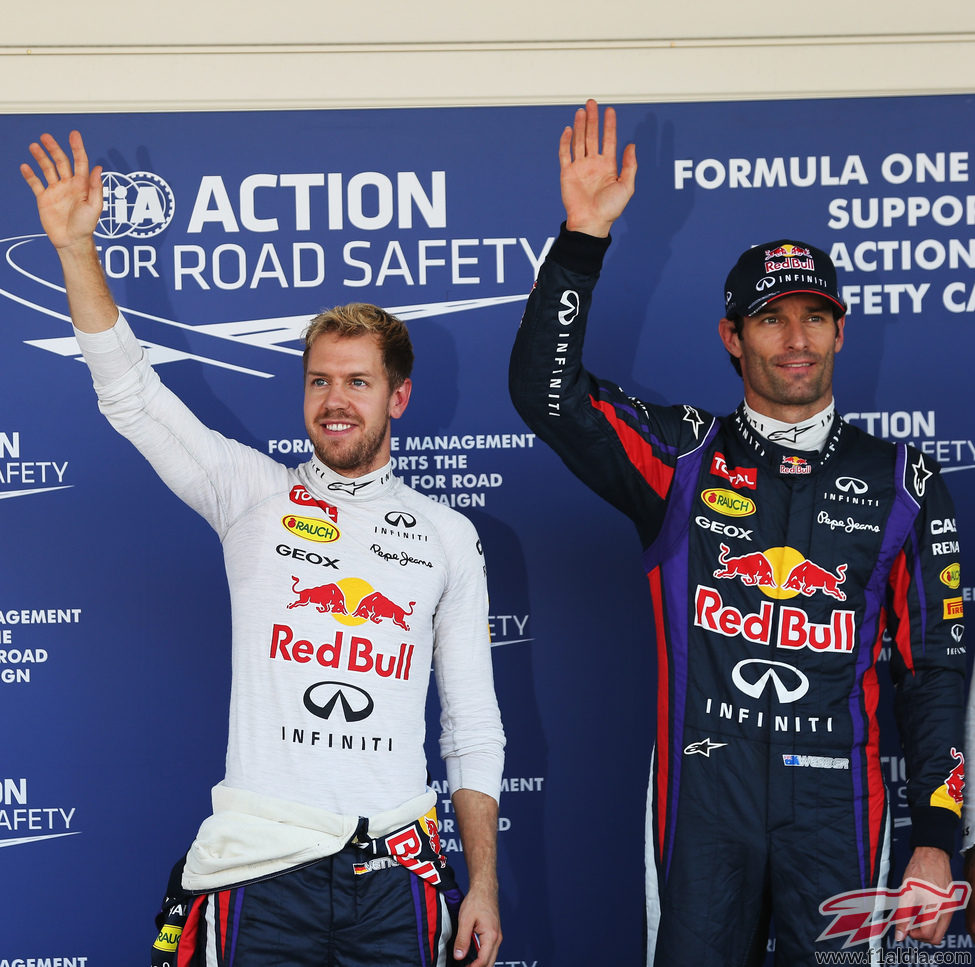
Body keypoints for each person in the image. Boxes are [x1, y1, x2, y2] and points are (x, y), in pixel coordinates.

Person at [22, 130, 505, 967]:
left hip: (398, 874)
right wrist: (73, 250)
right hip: (257, 869)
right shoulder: (251, 493)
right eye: (319, 379)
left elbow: (472, 726)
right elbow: (132, 393)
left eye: (357, 381)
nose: (335, 401)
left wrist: (485, 885)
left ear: (399, 394)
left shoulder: (447, 536)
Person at [509, 99, 966, 965]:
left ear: (839, 329)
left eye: (813, 316)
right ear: (731, 335)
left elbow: (935, 672)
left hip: (841, 811)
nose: (794, 340)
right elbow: (547, 394)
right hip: (702, 806)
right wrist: (579, 239)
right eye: (769, 318)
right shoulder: (683, 454)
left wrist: (937, 832)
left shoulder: (903, 478)